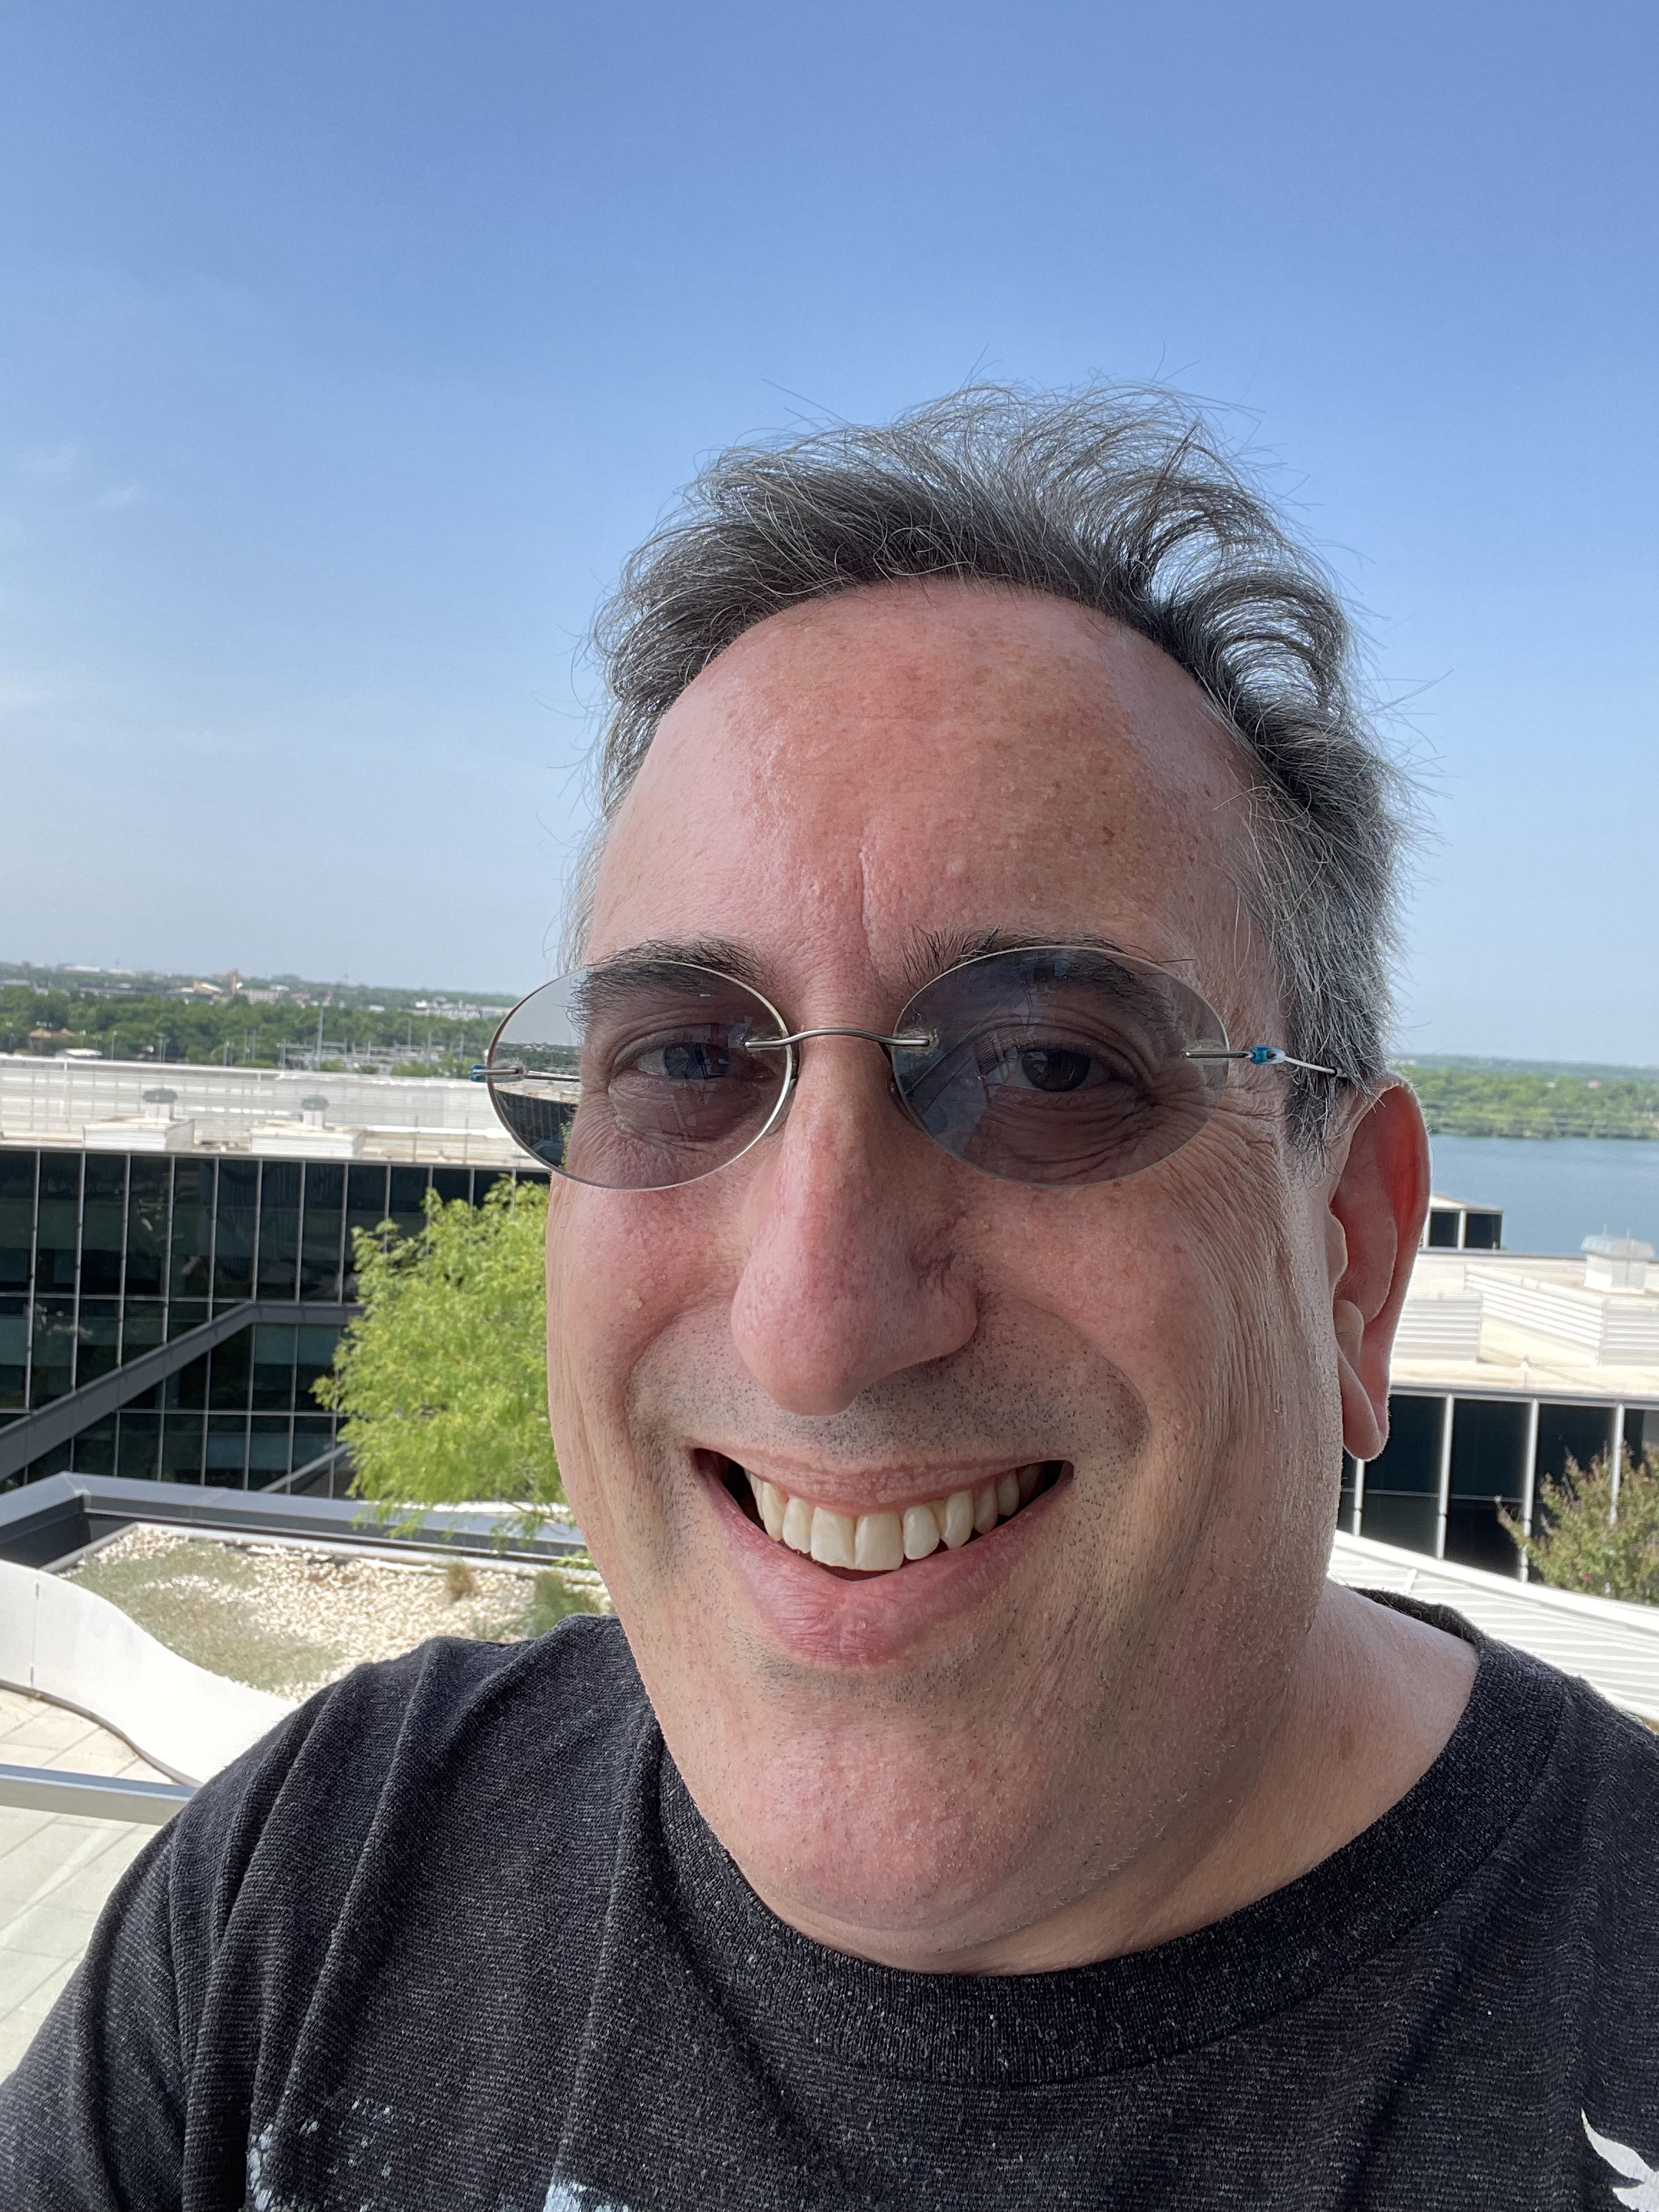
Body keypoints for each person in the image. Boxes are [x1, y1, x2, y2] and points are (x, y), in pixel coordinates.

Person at [3, 389, 1656, 2211]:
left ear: (1350, 1252)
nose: (812, 1323)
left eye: (1049, 1066)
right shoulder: (305, 1888)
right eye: (687, 1058)